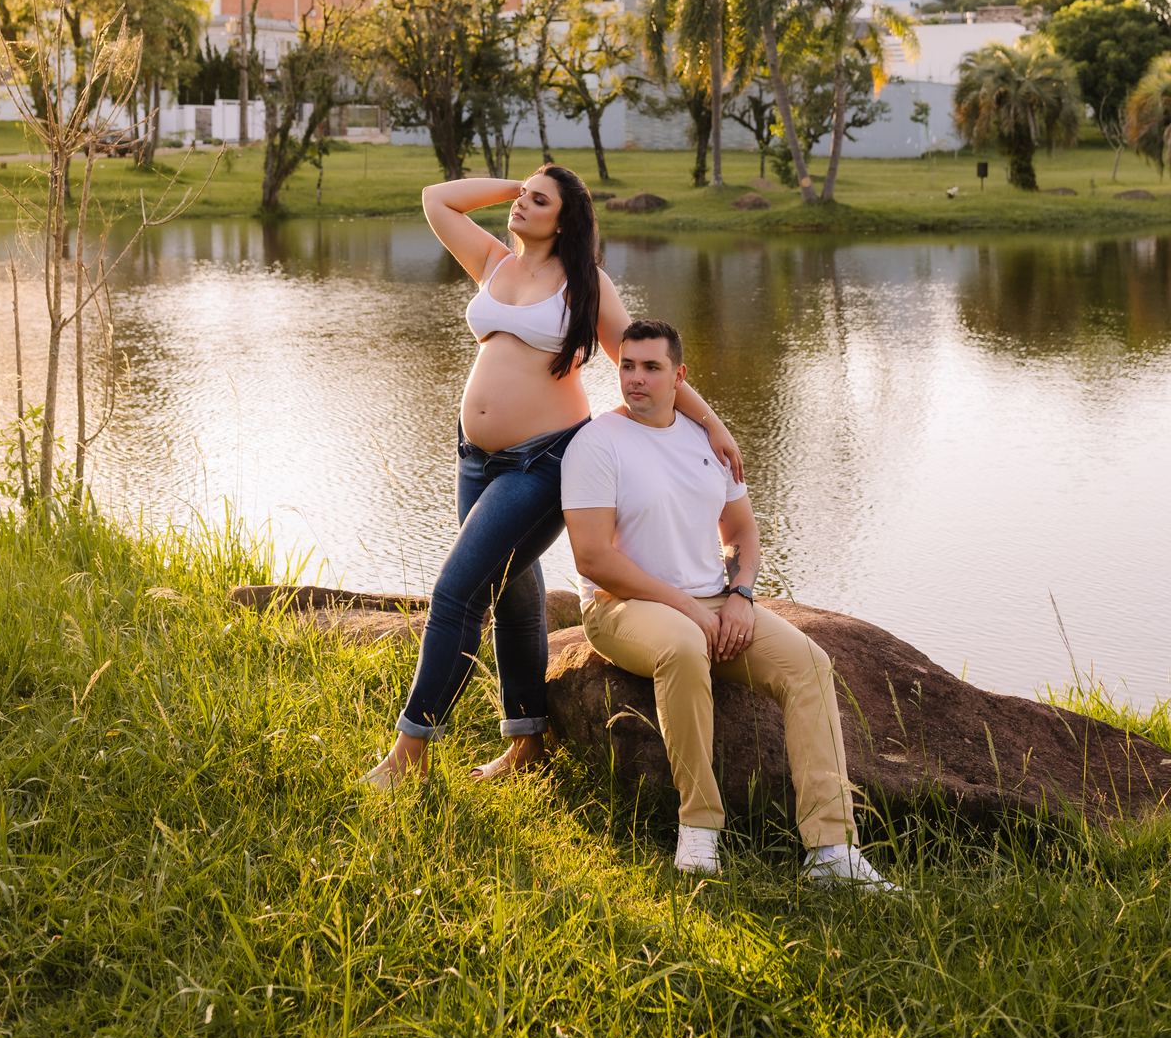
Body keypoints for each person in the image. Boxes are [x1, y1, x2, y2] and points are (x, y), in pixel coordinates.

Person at [365, 169, 744, 786]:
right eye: (520, 197)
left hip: (544, 461)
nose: (520, 204)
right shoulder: (492, 261)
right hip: (475, 459)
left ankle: (410, 753)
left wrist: (710, 421)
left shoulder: (585, 284)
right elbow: (436, 198)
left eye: (538, 202)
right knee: (515, 595)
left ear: (564, 220)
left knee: (458, 591)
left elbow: (641, 359)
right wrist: (524, 181)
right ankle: (527, 744)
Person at [561, 318, 897, 890]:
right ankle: (699, 831)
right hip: (623, 606)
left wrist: (740, 596)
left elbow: (740, 529)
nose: (636, 379)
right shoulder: (596, 443)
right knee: (685, 647)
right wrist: (688, 609)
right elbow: (592, 559)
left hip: (716, 599)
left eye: (651, 367)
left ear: (679, 375)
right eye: (627, 366)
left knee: (811, 666)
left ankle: (831, 851)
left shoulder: (705, 441)